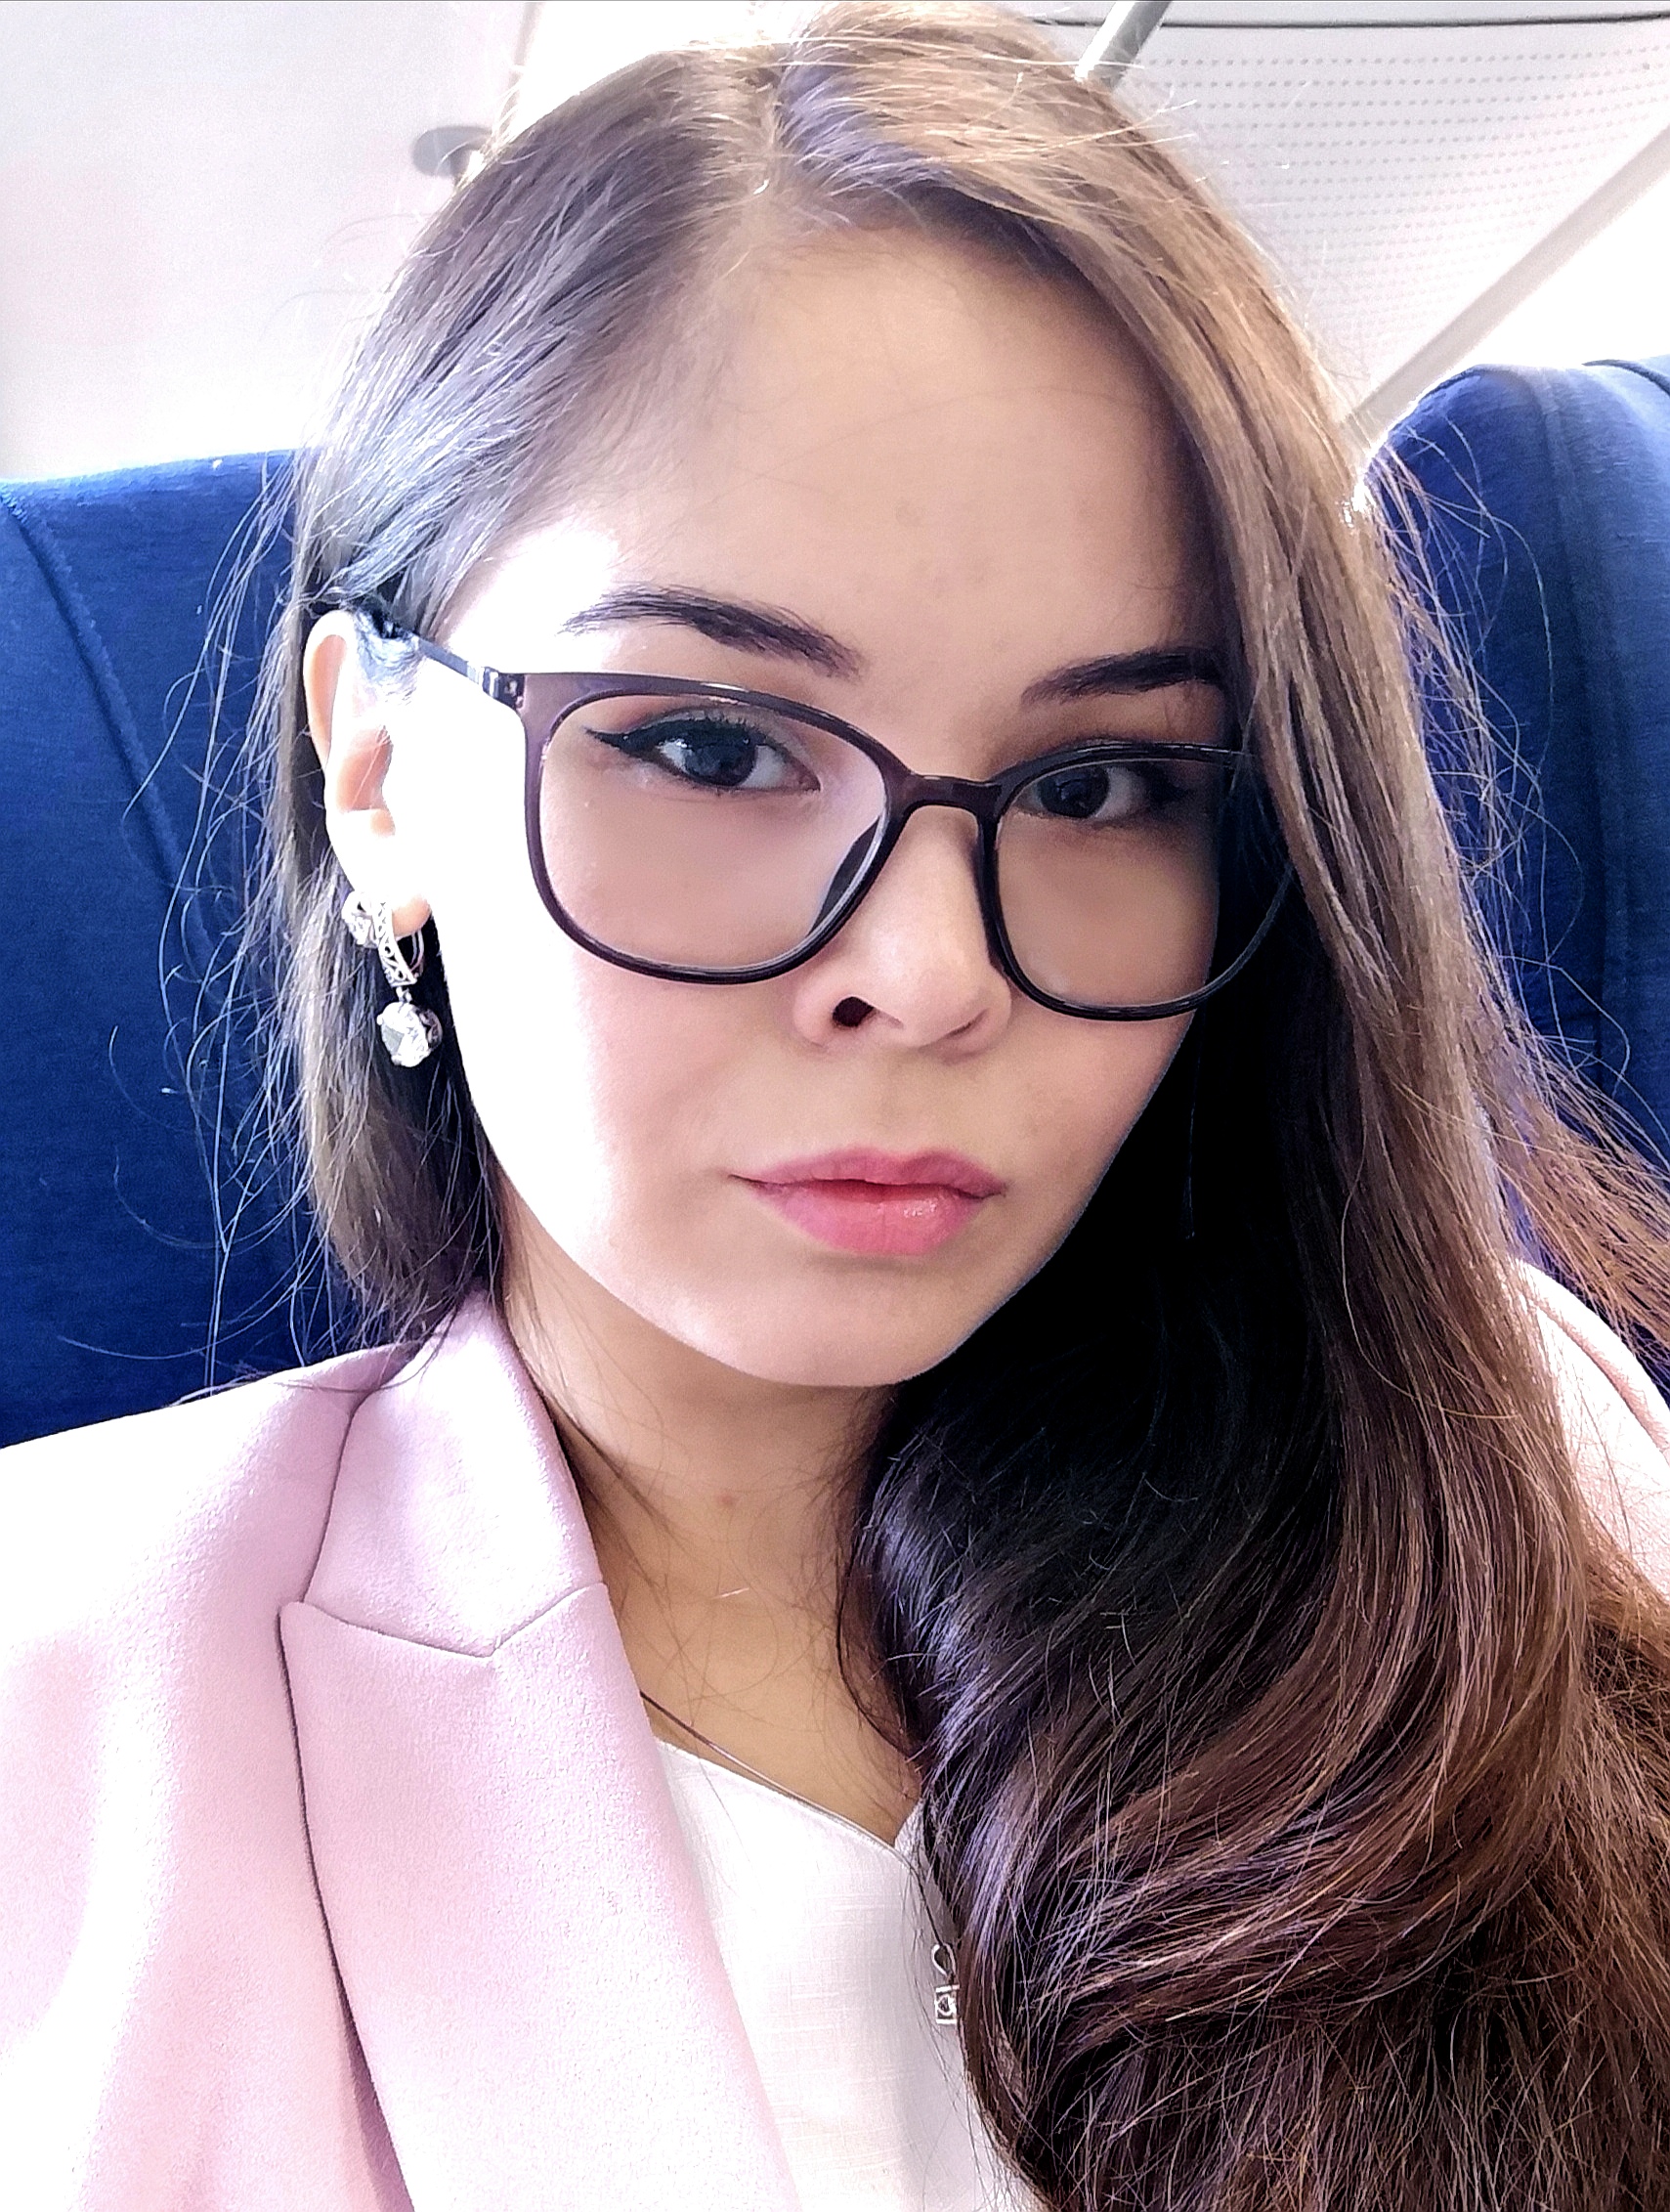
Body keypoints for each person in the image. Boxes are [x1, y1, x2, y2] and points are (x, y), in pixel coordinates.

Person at [5, 7, 1670, 2207]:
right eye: (709, 746)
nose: (934, 968)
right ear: (380, 774)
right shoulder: (64, 1687)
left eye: (1103, 784)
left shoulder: (1518, 1450)